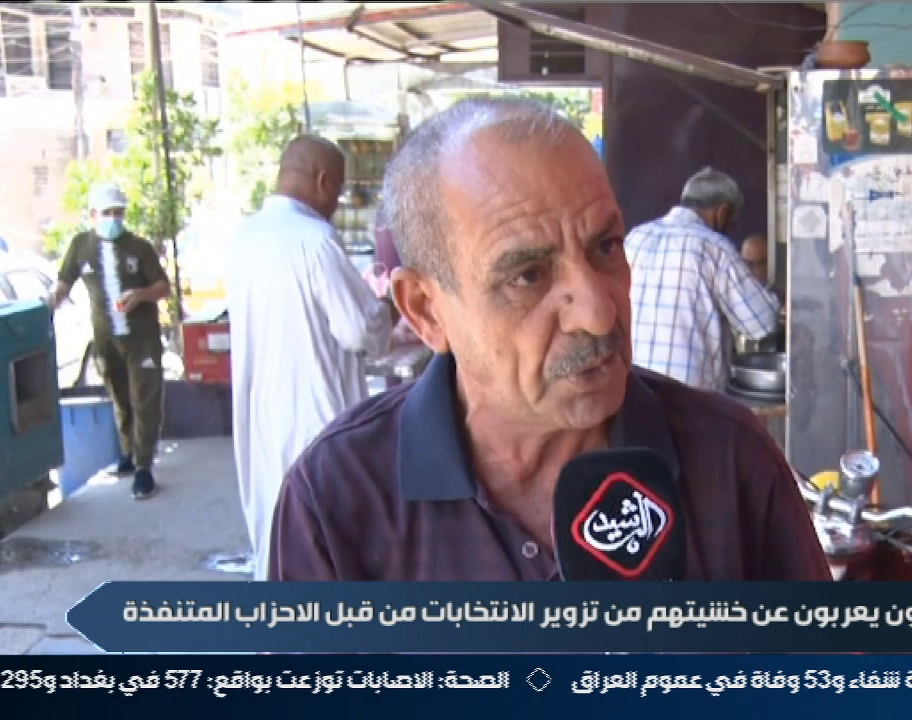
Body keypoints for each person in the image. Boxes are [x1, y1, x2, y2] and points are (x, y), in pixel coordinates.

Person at [267, 98, 830, 582]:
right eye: (527, 276)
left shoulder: (731, 459)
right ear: (425, 310)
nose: (598, 313)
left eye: (606, 248)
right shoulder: (336, 501)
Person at [226, 135, 398, 581]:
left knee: (277, 535)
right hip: (316, 415)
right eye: (338, 190)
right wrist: (389, 309)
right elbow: (360, 329)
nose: (337, 203)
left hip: (264, 419)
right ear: (324, 182)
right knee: (325, 536)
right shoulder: (315, 239)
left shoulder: (246, 237)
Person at [51, 183, 171, 499]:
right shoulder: (81, 246)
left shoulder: (140, 248)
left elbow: (163, 287)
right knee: (120, 398)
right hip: (106, 340)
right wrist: (54, 298)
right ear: (93, 216)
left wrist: (140, 295)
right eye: (107, 213)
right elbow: (64, 281)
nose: (114, 219)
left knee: (145, 399)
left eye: (119, 213)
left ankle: (144, 467)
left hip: (142, 339)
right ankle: (128, 453)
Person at [625, 168, 781, 391]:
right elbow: (763, 323)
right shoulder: (714, 248)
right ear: (723, 212)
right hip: (689, 397)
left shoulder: (635, 239)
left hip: (636, 388)